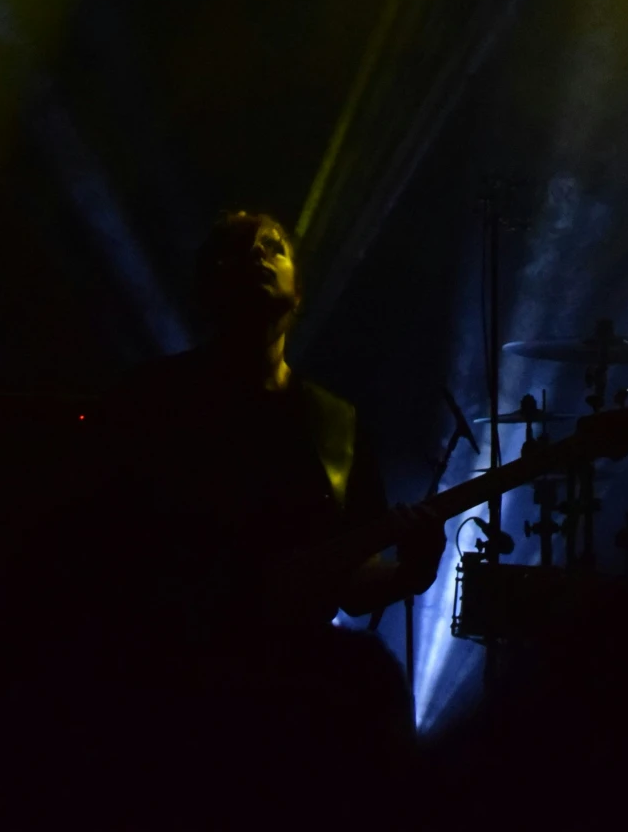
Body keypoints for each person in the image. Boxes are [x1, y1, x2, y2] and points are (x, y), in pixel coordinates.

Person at [99, 210, 444, 633]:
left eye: (273, 247)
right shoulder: (149, 396)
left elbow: (352, 586)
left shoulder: (337, 420)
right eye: (240, 250)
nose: (258, 255)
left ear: (298, 292)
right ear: (209, 288)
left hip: (289, 674)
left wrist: (415, 573)